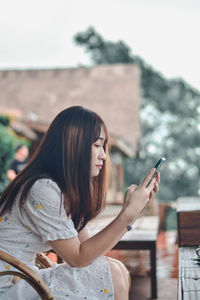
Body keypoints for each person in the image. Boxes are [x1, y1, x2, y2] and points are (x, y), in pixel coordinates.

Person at [0, 106, 160, 300]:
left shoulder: (61, 190)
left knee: (116, 268)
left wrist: (132, 212)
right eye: (96, 145)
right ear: (73, 145)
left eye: (104, 146)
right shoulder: (41, 189)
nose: (103, 155)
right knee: (114, 273)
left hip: (23, 279)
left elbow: (89, 249)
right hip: (7, 287)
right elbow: (78, 258)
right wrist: (127, 214)